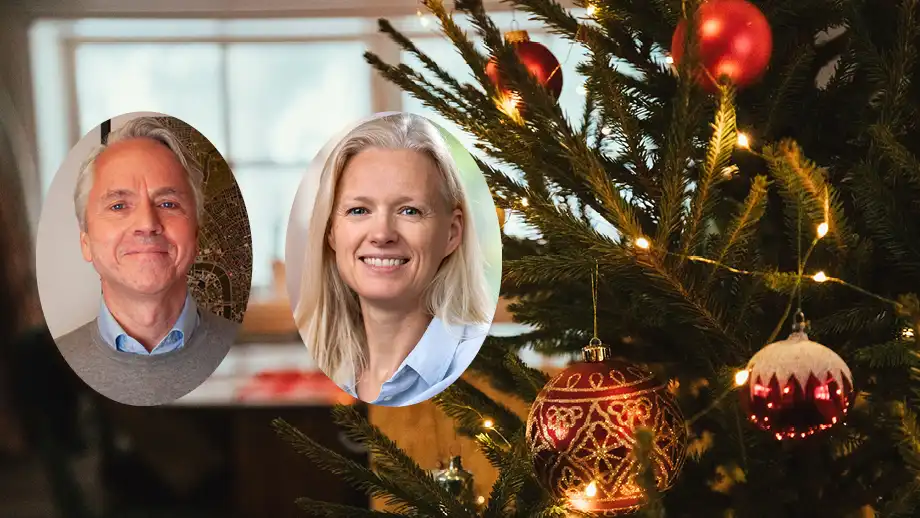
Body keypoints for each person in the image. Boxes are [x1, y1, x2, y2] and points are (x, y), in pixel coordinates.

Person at [293, 113, 496, 407]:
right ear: (331, 232)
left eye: (409, 211)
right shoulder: (313, 371)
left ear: (452, 233)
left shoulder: (482, 377)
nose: (382, 234)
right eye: (359, 210)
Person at [55, 116, 238, 406]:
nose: (147, 223)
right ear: (85, 242)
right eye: (118, 206)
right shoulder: (48, 375)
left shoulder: (243, 358)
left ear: (196, 234)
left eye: (168, 204)